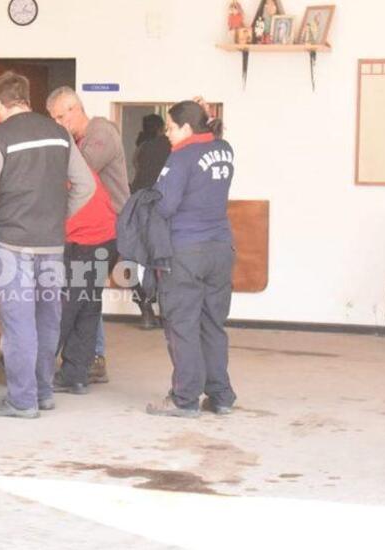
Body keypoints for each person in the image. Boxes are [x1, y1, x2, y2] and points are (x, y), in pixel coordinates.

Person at [0, 72, 95, 418]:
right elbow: (86, 185)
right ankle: (43, 392)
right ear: (27, 99)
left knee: (19, 324)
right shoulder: (60, 134)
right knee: (47, 319)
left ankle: (22, 400)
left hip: (12, 244)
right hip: (51, 245)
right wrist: (58, 218)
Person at [145, 100, 236, 418]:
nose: (167, 134)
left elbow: (165, 205)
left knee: (182, 324)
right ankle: (221, 396)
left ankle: (184, 399)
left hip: (186, 251)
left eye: (170, 127)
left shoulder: (181, 157)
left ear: (186, 127)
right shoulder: (224, 149)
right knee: (212, 324)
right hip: (220, 249)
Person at [46, 86, 130, 382]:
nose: (57, 123)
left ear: (75, 109)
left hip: (102, 231)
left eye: (60, 116)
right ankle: (78, 370)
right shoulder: (83, 138)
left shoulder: (100, 133)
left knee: (74, 303)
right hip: (95, 232)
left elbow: (75, 174)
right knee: (87, 302)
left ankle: (60, 366)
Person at [129, 113, 172, 329]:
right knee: (165, 260)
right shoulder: (172, 146)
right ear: (162, 128)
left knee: (138, 261)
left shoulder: (141, 148)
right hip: (161, 206)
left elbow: (137, 171)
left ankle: (146, 311)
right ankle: (167, 312)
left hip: (138, 204)